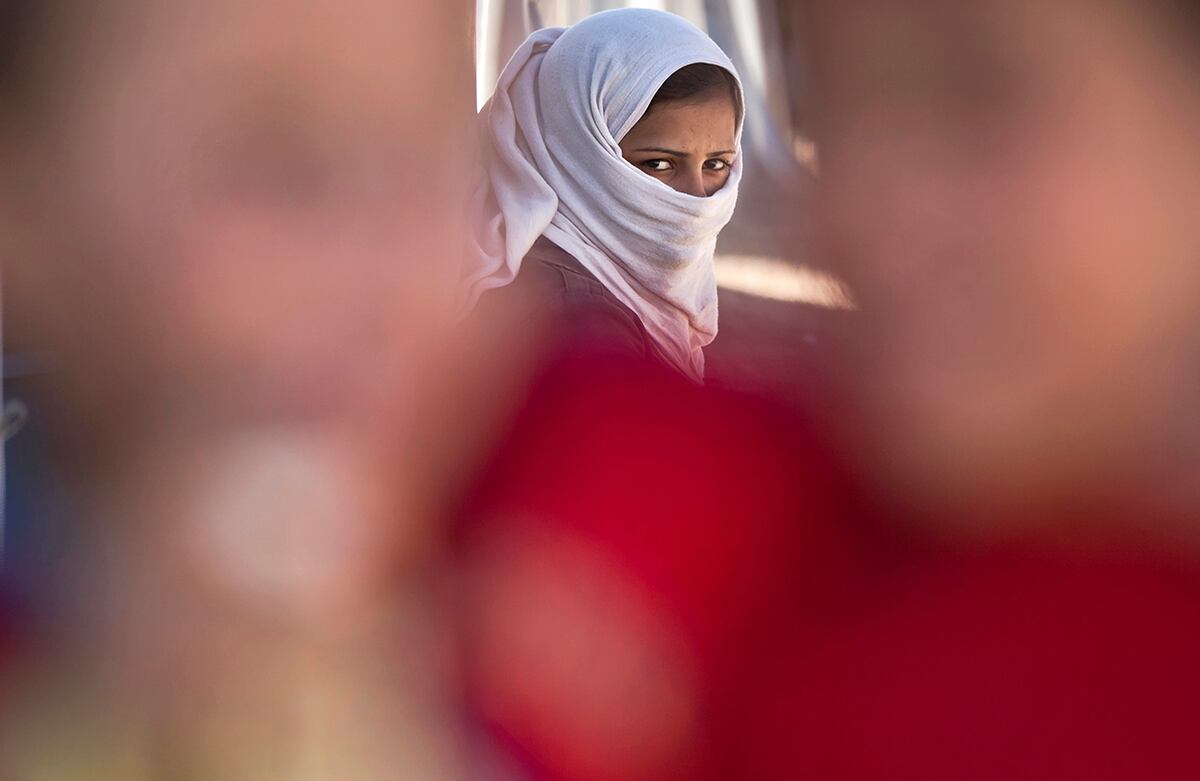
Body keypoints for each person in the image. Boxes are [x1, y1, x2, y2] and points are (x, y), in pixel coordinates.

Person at [466, 9, 744, 384]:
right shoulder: (582, 327)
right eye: (659, 164)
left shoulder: (607, 292)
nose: (697, 197)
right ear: (578, 153)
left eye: (716, 164)